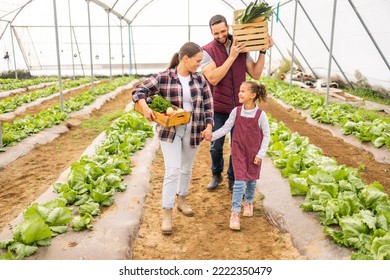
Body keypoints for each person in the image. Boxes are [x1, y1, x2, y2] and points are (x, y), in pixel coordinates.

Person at [132, 42, 214, 235]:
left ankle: (182, 200)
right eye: (197, 61)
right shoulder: (163, 78)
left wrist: (209, 126)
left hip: (194, 128)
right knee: (173, 170)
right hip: (170, 130)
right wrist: (145, 107)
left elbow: (209, 104)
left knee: (186, 169)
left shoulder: (200, 80)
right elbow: (138, 91)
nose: (199, 65)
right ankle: (167, 213)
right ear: (185, 59)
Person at [201, 14, 272, 192]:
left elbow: (255, 74)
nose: (220, 36)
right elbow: (213, 78)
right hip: (217, 107)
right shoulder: (207, 51)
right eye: (215, 33)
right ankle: (216, 173)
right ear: (211, 32)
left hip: (239, 108)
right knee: (216, 145)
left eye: (223, 31)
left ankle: (233, 177)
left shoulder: (242, 47)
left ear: (229, 28)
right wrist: (232, 56)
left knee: (237, 145)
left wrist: (263, 51)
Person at [209, 81, 270, 231]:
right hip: (238, 151)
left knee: (251, 180)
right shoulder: (236, 111)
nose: (239, 93)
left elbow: (267, 136)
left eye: (243, 91)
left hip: (254, 153)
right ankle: (235, 213)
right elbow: (226, 128)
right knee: (239, 182)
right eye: (239, 90)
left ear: (253, 95)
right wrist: (212, 136)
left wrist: (260, 154)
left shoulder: (260, 115)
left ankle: (248, 202)